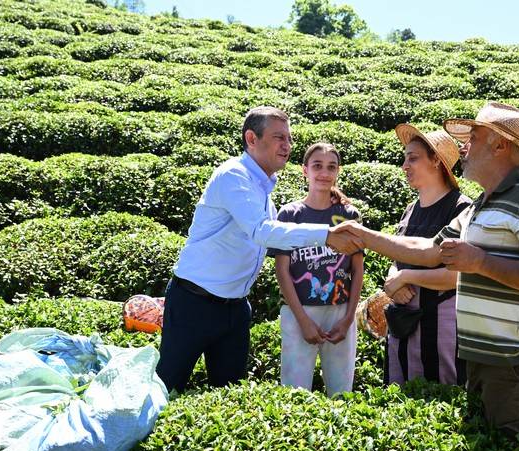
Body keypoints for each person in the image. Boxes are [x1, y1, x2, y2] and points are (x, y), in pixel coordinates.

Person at [337, 102, 519, 451]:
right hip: (482, 361)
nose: (463, 146)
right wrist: (363, 236)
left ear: (500, 145)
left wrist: (480, 261)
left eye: (474, 137)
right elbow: (429, 249)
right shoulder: (482, 204)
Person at [156, 106, 362, 393]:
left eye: (289, 138)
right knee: (167, 386)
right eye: (279, 137)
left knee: (229, 395)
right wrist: (326, 235)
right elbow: (262, 232)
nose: (287, 146)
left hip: (236, 308)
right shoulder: (233, 176)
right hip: (195, 303)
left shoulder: (264, 193)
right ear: (251, 138)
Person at [269, 143, 364, 396]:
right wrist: (303, 320)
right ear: (304, 171)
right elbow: (282, 270)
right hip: (298, 311)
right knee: (294, 392)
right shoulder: (290, 214)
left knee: (341, 392)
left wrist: (348, 319)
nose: (324, 172)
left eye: (331, 167)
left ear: (338, 172)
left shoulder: (348, 215)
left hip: (339, 311)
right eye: (317, 166)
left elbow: (357, 269)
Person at [382, 124, 471, 386]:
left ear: (436, 161)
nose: (405, 166)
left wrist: (407, 276)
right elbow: (397, 255)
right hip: (402, 321)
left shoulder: (461, 208)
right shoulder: (410, 209)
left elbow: (458, 275)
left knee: (438, 395)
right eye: (404, 158)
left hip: (441, 324)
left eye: (413, 158)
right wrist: (393, 281)